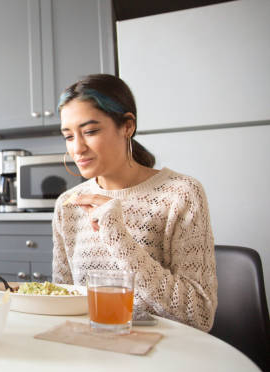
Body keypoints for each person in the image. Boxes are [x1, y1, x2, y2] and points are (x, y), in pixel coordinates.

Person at [52, 74, 217, 332]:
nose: (77, 148)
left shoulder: (180, 194)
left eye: (90, 131)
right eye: (69, 136)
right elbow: (62, 304)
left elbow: (198, 316)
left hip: (166, 351)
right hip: (91, 351)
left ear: (127, 126)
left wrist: (117, 234)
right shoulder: (68, 204)